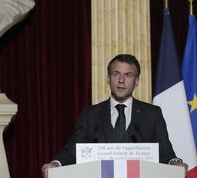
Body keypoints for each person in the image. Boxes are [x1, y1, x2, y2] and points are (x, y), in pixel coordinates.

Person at [41, 54, 188, 178]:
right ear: (108, 79)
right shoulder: (90, 114)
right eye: (116, 74)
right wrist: (56, 164)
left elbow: (165, 153)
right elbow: (73, 150)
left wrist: (175, 162)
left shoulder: (152, 114)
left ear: (136, 81)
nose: (121, 80)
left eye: (128, 75)